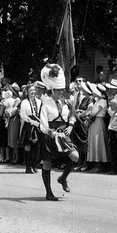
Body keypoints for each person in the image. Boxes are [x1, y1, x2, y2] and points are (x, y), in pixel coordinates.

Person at [37, 64, 79, 200]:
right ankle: (48, 192)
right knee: (47, 163)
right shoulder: (46, 105)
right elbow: (43, 125)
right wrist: (50, 132)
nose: (61, 92)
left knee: (75, 156)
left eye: (62, 90)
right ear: (52, 90)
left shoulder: (66, 104)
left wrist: (70, 126)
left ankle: (63, 178)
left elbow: (73, 115)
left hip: (63, 135)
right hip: (50, 137)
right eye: (58, 90)